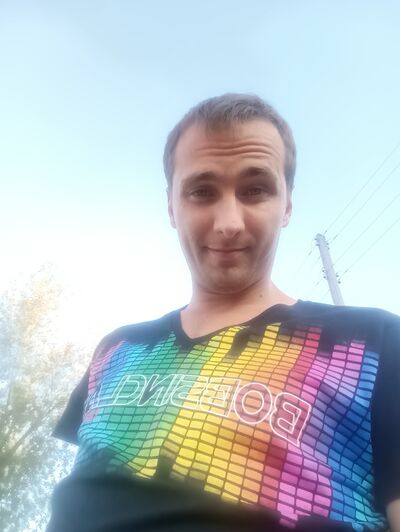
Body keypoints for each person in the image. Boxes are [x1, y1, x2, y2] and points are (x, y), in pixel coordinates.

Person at [47, 93, 400, 532]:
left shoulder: (375, 343)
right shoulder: (116, 348)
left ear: (287, 205)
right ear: (172, 206)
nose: (229, 222)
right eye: (202, 192)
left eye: (255, 190)